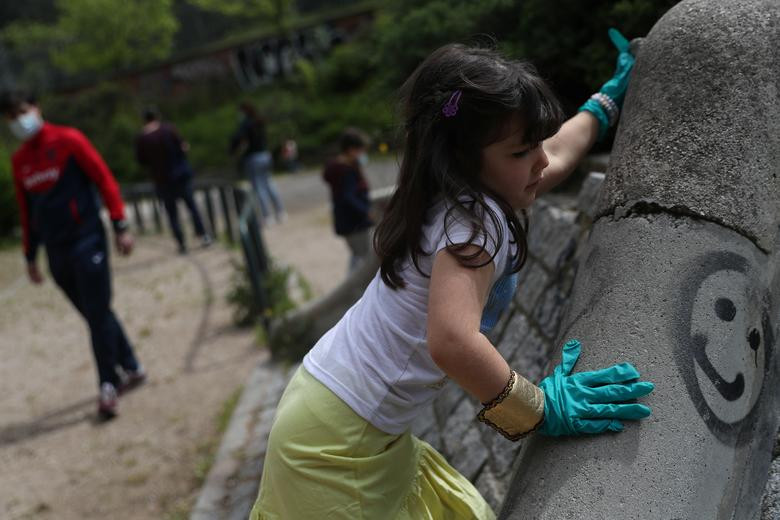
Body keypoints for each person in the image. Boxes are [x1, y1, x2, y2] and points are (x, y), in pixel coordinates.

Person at [251, 30, 653, 519]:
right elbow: (452, 342)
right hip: (339, 446)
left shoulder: (454, 190)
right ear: (466, 156)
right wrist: (542, 409)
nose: (540, 161)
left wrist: (608, 99)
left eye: (535, 145)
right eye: (522, 152)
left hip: (333, 411)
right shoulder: (476, 225)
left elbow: (559, 154)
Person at [2, 91, 147, 421]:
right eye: (10, 117)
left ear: (36, 108)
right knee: (96, 314)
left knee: (97, 312)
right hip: (56, 251)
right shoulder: (20, 161)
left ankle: (108, 386)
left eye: (22, 111)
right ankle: (133, 366)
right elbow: (27, 212)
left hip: (88, 240)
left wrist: (120, 224)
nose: (18, 120)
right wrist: (29, 255)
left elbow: (104, 179)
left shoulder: (69, 140)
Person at [136, 108, 212, 254]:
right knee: (192, 207)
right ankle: (204, 236)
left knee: (172, 214)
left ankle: (181, 244)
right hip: (180, 176)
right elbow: (182, 147)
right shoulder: (169, 129)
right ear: (157, 116)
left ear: (144, 119)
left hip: (161, 180)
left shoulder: (142, 138)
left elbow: (141, 161)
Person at [322, 128, 374, 272]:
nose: (363, 155)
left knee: (357, 255)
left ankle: (353, 288)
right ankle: (354, 290)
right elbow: (349, 196)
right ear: (351, 150)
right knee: (363, 259)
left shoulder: (338, 168)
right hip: (355, 222)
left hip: (345, 221)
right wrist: (366, 211)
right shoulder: (346, 172)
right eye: (361, 150)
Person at [230, 101, 286, 225]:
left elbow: (237, 140)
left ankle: (267, 216)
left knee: (259, 187)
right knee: (269, 183)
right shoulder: (259, 122)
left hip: (253, 158)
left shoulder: (246, 125)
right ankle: (280, 212)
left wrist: (234, 151)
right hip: (265, 155)